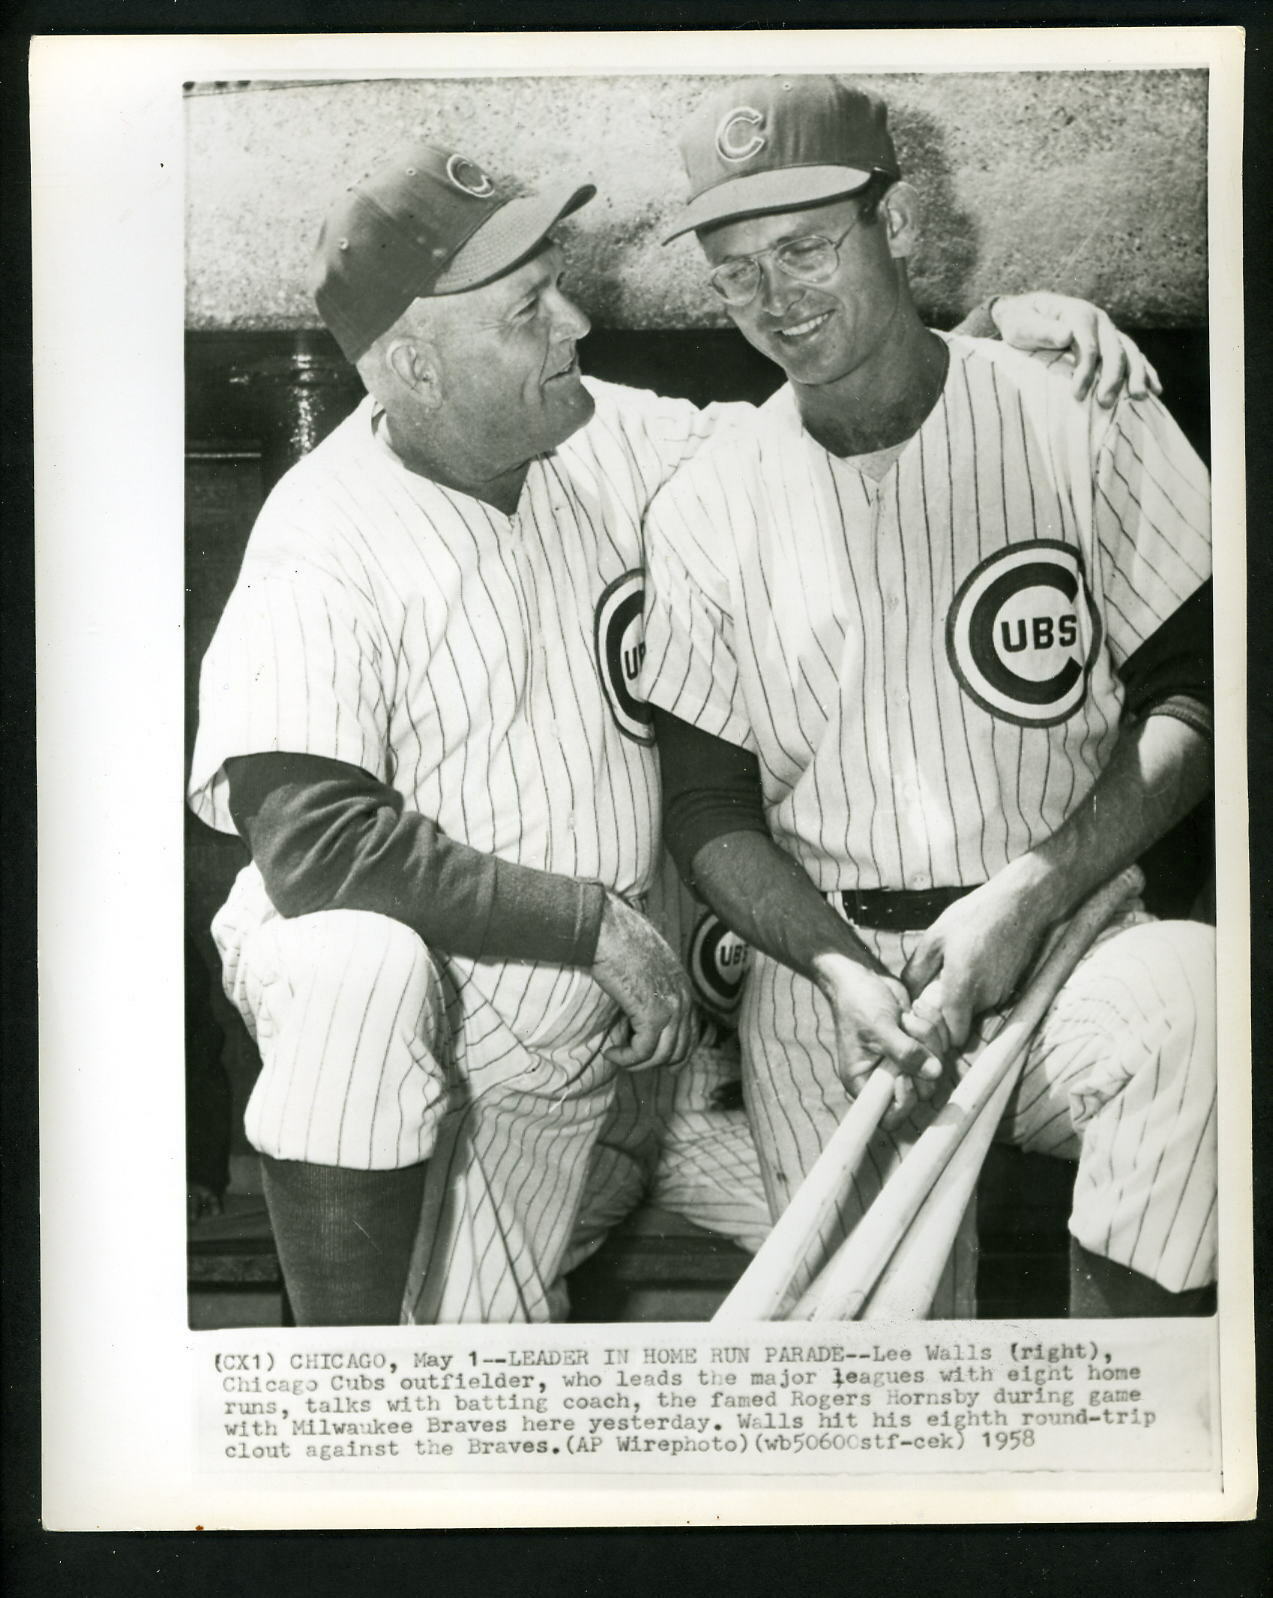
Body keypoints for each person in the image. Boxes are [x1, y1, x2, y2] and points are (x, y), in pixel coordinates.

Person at [188, 135, 1157, 1325]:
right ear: (412, 368)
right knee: (353, 975)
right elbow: (312, 839)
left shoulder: (594, 432)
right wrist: (586, 922)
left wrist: (991, 336)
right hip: (465, 1065)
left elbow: (816, 421)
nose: (575, 326)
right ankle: (338, 1403)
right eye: (528, 307)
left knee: (861, 1321)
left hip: (630, 1069)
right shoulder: (322, 536)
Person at [638, 75, 1216, 1318]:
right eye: (737, 269)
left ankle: (1129, 1424)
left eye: (803, 246)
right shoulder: (704, 495)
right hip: (828, 981)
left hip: (1061, 938)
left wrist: (1033, 887)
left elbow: (1200, 697)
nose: (775, 298)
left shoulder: (1078, 411)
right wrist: (840, 968)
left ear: (894, 225)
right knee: (873, 1386)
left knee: (1197, 1012)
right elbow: (704, 805)